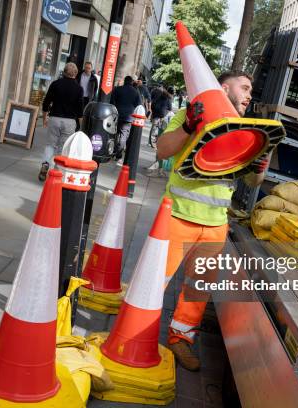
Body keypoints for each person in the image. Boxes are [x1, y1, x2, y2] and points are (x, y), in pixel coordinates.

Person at [157, 71, 269, 371]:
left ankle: (180, 340)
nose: (249, 95)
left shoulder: (244, 129)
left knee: (196, 289)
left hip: (216, 224)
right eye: (244, 88)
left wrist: (260, 164)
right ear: (223, 88)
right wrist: (190, 127)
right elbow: (163, 149)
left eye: (250, 90)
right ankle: (136, 329)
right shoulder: (189, 115)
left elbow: (253, 179)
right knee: (154, 282)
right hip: (178, 215)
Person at [39, 62, 83, 181]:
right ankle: (56, 171)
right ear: (76, 74)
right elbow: (80, 110)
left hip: (55, 118)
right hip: (69, 121)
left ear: (64, 72)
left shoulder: (55, 84)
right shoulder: (79, 89)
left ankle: (45, 164)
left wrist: (44, 118)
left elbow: (46, 102)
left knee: (50, 144)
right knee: (63, 147)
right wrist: (81, 125)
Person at [109, 75, 142, 162]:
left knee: (115, 133)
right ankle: (118, 154)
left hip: (117, 114)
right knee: (123, 135)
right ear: (131, 82)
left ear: (124, 81)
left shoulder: (118, 89)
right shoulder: (135, 92)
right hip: (129, 117)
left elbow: (111, 101)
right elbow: (138, 105)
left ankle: (113, 150)